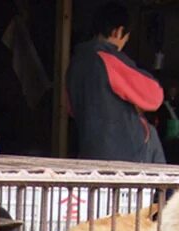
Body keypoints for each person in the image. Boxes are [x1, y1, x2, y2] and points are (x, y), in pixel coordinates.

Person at [66, 2, 165, 163]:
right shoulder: (108, 60)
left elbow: (70, 108)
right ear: (118, 31)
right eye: (126, 38)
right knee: (151, 134)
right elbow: (154, 96)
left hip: (90, 152)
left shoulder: (75, 62)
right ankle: (167, 189)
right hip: (123, 155)